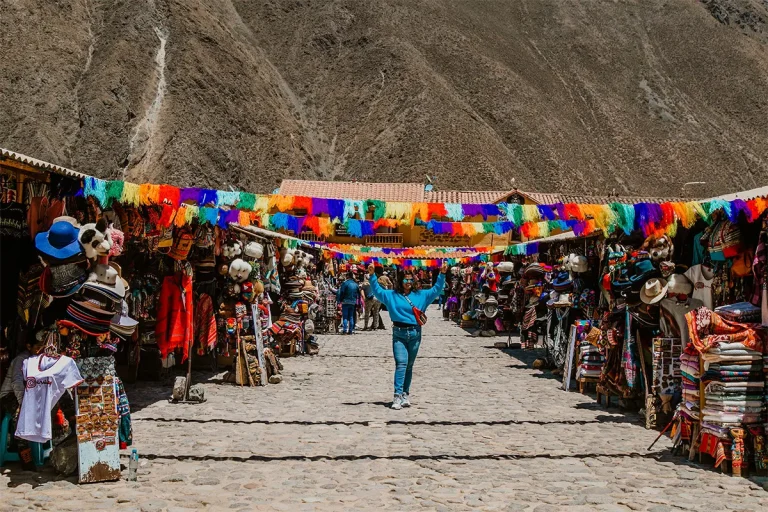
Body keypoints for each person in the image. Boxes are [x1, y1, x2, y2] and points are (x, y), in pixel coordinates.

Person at [368, 262, 446, 410]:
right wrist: (372, 276)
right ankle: (397, 396)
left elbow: (436, 290)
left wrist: (442, 274)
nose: (408, 283)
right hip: (399, 333)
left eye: (411, 280)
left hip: (415, 333)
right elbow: (377, 291)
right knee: (401, 364)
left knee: (409, 366)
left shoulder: (421, 295)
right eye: (405, 280)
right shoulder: (392, 295)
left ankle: (405, 394)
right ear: (400, 281)